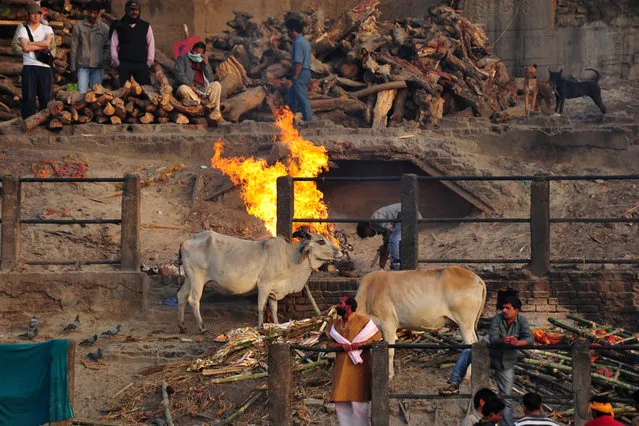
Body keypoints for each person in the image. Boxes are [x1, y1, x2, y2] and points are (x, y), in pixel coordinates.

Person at [439, 294, 534, 426]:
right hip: (491, 356)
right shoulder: (497, 319)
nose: (504, 311)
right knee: (467, 352)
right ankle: (454, 383)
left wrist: (517, 343)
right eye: (503, 308)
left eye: (508, 308)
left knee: (505, 398)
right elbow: (493, 338)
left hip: (506, 363)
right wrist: (504, 340)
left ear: (516, 310)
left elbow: (530, 339)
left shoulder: (522, 321)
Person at [327, 295, 382, 425]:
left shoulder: (363, 321)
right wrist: (339, 345)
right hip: (341, 369)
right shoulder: (335, 324)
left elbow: (377, 335)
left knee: (359, 406)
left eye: (340, 303)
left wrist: (361, 344)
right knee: (340, 405)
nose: (337, 305)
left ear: (349, 306)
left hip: (359, 370)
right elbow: (329, 344)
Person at [357, 203, 422, 271]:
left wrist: (384, 245)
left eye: (367, 234)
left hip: (406, 214)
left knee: (393, 240)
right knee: (396, 242)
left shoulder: (375, 220)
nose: (370, 236)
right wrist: (381, 267)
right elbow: (387, 246)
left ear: (366, 227)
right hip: (409, 214)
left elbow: (390, 231)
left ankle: (395, 268)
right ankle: (405, 266)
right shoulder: (379, 227)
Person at [17, 2, 53, 119]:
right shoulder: (23, 29)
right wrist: (41, 45)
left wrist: (31, 43)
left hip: (45, 67)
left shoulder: (47, 28)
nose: (36, 16)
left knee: (46, 97)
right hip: (29, 66)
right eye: (33, 13)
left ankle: (47, 122)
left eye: (38, 13)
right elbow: (25, 48)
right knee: (28, 97)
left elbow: (47, 43)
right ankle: (28, 122)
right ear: (28, 15)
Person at [111, 0, 155, 86]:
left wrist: (148, 63)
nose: (134, 12)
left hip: (141, 65)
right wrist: (118, 64)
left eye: (136, 10)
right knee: (125, 93)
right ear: (126, 10)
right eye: (131, 10)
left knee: (142, 93)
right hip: (124, 65)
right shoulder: (119, 26)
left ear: (139, 11)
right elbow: (113, 45)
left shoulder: (146, 26)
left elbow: (151, 44)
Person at [70, 1, 110, 94]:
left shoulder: (104, 28)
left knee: (95, 95)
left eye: (95, 13)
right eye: (90, 12)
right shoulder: (78, 26)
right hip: (82, 66)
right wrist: (73, 69)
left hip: (98, 67)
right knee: (81, 94)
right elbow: (74, 48)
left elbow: (108, 47)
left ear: (99, 13)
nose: (92, 15)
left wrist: (102, 60)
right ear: (86, 12)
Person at [174, 42, 222, 110]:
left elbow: (211, 79)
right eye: (195, 51)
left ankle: (214, 109)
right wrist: (190, 86)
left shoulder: (202, 61)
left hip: (201, 89)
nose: (196, 54)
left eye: (199, 53)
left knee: (217, 85)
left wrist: (206, 64)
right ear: (192, 50)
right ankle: (200, 102)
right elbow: (179, 75)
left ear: (203, 54)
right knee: (183, 88)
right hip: (188, 88)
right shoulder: (182, 58)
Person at [285, 17, 312, 122]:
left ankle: (309, 121)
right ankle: (289, 120)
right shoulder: (305, 42)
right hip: (305, 72)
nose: (288, 33)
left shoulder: (298, 43)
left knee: (302, 98)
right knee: (291, 97)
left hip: (301, 72)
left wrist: (296, 76)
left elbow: (299, 62)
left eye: (289, 31)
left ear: (293, 30)